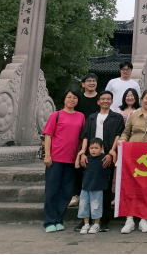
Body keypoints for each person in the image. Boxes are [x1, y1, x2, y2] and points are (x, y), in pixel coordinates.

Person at [119, 89, 147, 234]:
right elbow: (126, 132)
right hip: (133, 153)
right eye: (146, 98)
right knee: (131, 185)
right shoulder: (133, 115)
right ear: (142, 99)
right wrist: (122, 140)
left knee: (146, 187)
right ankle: (129, 219)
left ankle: (144, 219)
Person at [79, 91, 125, 233]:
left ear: (112, 102)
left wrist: (111, 152)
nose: (105, 101)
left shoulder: (116, 117)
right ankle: (86, 221)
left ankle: (103, 220)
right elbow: (86, 136)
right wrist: (83, 152)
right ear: (98, 101)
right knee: (87, 188)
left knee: (104, 189)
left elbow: (118, 135)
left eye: (108, 99)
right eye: (103, 99)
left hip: (106, 157)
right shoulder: (92, 117)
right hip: (91, 157)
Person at [42, 90, 85, 233]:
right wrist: (47, 155)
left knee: (66, 192)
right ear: (64, 99)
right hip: (55, 158)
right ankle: (49, 221)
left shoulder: (81, 116)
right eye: (69, 97)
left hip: (71, 160)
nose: (72, 100)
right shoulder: (56, 115)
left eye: (74, 97)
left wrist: (79, 155)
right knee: (52, 191)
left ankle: (59, 219)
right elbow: (48, 136)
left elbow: (81, 138)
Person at [70, 73, 100, 212]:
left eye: (94, 81)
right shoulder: (78, 99)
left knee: (93, 165)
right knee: (78, 165)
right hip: (79, 136)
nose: (91, 83)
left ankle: (95, 194)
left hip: (96, 137)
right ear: (83, 84)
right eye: (88, 81)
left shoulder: (100, 98)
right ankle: (76, 194)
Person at [75, 138, 110, 234]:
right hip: (85, 187)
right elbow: (77, 166)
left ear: (101, 149)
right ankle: (86, 224)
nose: (93, 150)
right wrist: (79, 154)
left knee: (96, 206)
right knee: (83, 205)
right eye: (91, 148)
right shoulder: (87, 159)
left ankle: (96, 224)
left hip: (97, 187)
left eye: (96, 148)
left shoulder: (104, 158)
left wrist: (112, 154)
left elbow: (115, 164)